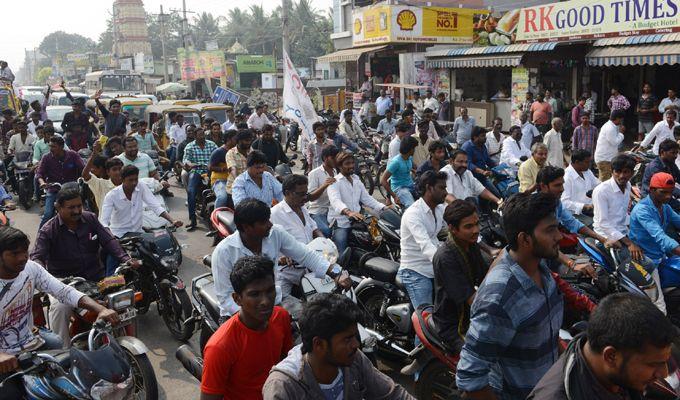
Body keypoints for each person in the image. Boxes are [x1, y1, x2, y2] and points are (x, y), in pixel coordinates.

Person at [456, 193, 564, 399]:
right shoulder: (500, 297)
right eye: (550, 230)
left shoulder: (540, 267)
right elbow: (470, 378)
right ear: (525, 239)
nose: (559, 236)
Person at [0, 226, 120, 399]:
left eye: (25, 252)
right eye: (14, 253)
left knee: (73, 381)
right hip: (4, 358)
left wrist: (101, 309)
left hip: (30, 344)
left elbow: (64, 291)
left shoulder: (31, 269)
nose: (22, 258)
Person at [30, 186, 138, 343]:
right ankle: (63, 352)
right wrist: (41, 276)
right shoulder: (48, 230)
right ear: (58, 207)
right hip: (65, 283)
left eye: (79, 206)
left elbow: (108, 240)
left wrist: (125, 258)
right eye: (71, 207)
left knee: (125, 297)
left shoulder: (90, 219)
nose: (76, 210)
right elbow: (37, 257)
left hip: (96, 278)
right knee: (60, 308)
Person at [210, 199, 350, 319]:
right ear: (246, 227)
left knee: (311, 323)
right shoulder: (223, 252)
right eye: (264, 222)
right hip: (241, 312)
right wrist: (259, 319)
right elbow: (226, 298)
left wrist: (336, 271)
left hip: (275, 300)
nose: (270, 225)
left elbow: (306, 255)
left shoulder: (275, 233)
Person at [263, 293, 414, 400]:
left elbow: (393, 394)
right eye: (347, 339)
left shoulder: (354, 359)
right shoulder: (283, 387)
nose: (356, 344)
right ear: (319, 344)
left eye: (355, 336)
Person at [528, 293, 676, 400]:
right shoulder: (556, 395)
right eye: (653, 364)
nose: (663, 373)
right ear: (611, 356)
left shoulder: (622, 372)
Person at [201, 255, 292, 400]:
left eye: (270, 291)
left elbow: (286, 363)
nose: (265, 301)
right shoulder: (219, 347)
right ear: (237, 299)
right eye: (254, 294)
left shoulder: (281, 317)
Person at [397, 171, 448, 337]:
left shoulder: (439, 209)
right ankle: (420, 360)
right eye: (442, 188)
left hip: (433, 267)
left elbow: (454, 228)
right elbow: (426, 246)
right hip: (415, 270)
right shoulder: (414, 214)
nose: (446, 192)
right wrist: (445, 264)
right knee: (426, 323)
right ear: (429, 188)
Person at [432, 199, 487, 350]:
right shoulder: (445, 257)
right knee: (481, 358)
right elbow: (471, 298)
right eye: (469, 226)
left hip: (471, 315)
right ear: (452, 228)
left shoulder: (471, 244)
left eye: (477, 224)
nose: (476, 230)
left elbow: (486, 277)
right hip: (453, 325)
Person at [629, 171, 680, 313]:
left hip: (660, 254)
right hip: (646, 259)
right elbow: (661, 237)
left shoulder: (665, 207)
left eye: (670, 192)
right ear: (652, 190)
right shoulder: (642, 210)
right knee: (659, 305)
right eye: (663, 192)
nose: (668, 196)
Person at [538, 166, 612, 249]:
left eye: (562, 184)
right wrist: (569, 262)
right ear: (543, 186)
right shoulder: (535, 207)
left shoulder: (556, 203)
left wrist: (602, 239)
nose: (562, 189)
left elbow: (572, 222)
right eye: (557, 185)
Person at [99, 165, 183, 238]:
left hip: (138, 233)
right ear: (122, 179)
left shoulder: (141, 186)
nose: (134, 183)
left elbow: (155, 206)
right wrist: (111, 239)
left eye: (136, 179)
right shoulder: (111, 196)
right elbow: (104, 222)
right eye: (130, 180)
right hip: (119, 235)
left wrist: (172, 220)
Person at [327, 151, 386, 254]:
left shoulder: (356, 179)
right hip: (341, 223)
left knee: (379, 239)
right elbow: (335, 201)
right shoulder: (334, 182)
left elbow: (367, 198)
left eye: (352, 163)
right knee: (341, 250)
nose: (351, 166)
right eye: (347, 164)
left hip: (358, 220)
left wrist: (383, 207)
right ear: (340, 166)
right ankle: (341, 268)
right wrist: (349, 212)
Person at [593, 154, 643, 260]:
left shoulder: (628, 186)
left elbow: (623, 214)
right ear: (612, 171)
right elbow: (603, 224)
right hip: (607, 237)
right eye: (618, 171)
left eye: (626, 172)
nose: (621, 176)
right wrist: (629, 243)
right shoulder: (601, 191)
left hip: (623, 233)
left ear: (632, 173)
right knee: (645, 264)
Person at [36, 136, 84, 228]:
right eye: (50, 146)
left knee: (83, 212)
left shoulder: (73, 155)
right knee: (48, 214)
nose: (51, 149)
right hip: (54, 189)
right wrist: (42, 182)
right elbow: (39, 173)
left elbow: (82, 168)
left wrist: (84, 178)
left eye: (53, 147)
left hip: (72, 190)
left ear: (62, 147)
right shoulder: (46, 158)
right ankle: (40, 236)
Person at [183, 127, 218, 230]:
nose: (202, 136)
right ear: (195, 136)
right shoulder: (189, 146)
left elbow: (219, 154)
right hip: (196, 171)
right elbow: (186, 160)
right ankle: (192, 220)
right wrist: (190, 164)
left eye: (203, 134)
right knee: (191, 191)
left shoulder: (211, 144)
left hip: (211, 171)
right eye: (200, 135)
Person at [271, 174, 323, 244]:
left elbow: (314, 228)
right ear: (288, 193)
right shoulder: (274, 214)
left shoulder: (303, 208)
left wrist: (324, 241)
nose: (305, 197)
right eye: (301, 194)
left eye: (306, 194)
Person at [461, 127, 502, 199]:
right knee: (477, 201)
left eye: (485, 136)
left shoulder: (483, 146)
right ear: (475, 137)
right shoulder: (467, 147)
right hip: (471, 180)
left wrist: (499, 168)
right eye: (483, 136)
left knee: (497, 194)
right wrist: (482, 171)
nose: (485, 138)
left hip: (483, 178)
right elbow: (468, 164)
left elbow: (488, 161)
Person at [307, 145, 339, 238]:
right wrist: (324, 185)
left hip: (333, 211)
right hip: (318, 211)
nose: (336, 161)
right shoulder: (314, 173)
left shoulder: (336, 172)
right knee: (326, 231)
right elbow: (311, 197)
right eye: (333, 158)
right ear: (325, 158)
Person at [82, 142, 123, 210]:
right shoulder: (101, 184)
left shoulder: (128, 184)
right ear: (108, 172)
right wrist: (94, 154)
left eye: (120, 169)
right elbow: (85, 175)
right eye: (114, 169)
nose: (118, 172)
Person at [562, 150, 599, 222]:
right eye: (587, 162)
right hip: (575, 214)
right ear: (577, 162)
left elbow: (598, 184)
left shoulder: (587, 171)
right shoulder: (566, 177)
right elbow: (564, 202)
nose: (589, 164)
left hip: (591, 210)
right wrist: (584, 206)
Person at [381, 136, 418, 208]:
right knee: (412, 207)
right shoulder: (396, 162)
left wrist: (414, 171)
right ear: (410, 149)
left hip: (410, 185)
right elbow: (383, 180)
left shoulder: (409, 158)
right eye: (414, 148)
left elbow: (412, 168)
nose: (414, 150)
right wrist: (394, 196)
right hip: (399, 189)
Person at [594, 110, 625, 182]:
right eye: (621, 119)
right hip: (605, 159)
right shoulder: (609, 128)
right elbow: (615, 142)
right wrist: (621, 134)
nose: (621, 121)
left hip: (608, 158)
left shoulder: (613, 126)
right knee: (604, 182)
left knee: (608, 181)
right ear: (617, 118)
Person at [210, 129, 238, 209]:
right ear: (229, 139)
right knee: (223, 198)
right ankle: (216, 217)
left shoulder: (237, 151)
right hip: (220, 180)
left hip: (233, 181)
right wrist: (223, 169)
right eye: (235, 139)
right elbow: (210, 167)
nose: (237, 141)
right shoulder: (218, 152)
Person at [226, 130, 253, 208]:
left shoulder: (251, 151)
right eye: (246, 140)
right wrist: (239, 181)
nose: (249, 143)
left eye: (250, 140)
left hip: (250, 187)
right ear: (239, 141)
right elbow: (232, 169)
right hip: (234, 189)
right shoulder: (230, 153)